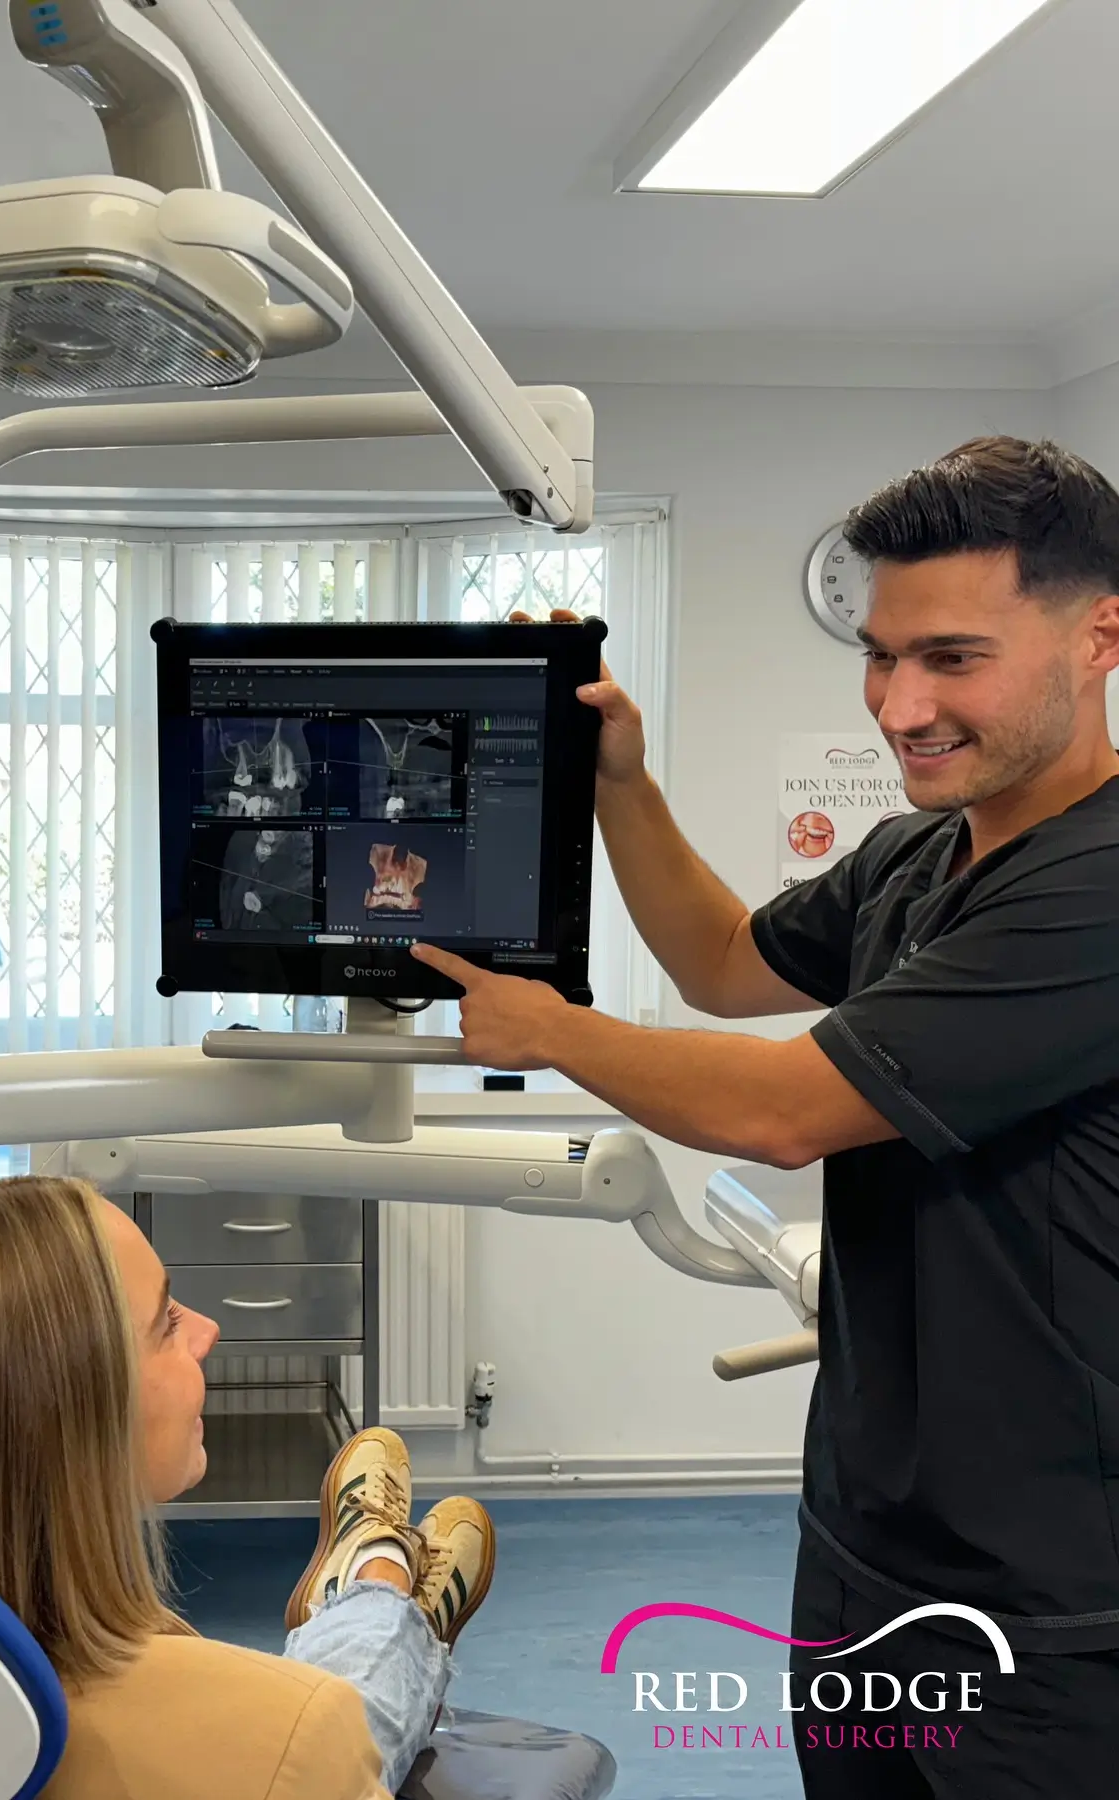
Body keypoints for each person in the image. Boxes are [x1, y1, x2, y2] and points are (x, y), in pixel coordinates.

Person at [411, 437, 1119, 1797]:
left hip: (1056, 1610)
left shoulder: (1097, 887)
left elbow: (789, 1113)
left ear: (1100, 637)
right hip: (868, 1544)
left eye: (952, 658)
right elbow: (722, 963)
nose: (899, 705)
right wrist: (619, 775)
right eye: (879, 655)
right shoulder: (919, 850)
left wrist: (546, 1028)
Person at [0, 1175, 496, 1800]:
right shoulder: (290, 1732)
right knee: (362, 1702)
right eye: (165, 1323)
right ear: (65, 1419)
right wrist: (305, 1741)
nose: (209, 1332)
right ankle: (379, 1584)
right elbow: (297, 1742)